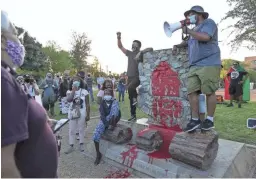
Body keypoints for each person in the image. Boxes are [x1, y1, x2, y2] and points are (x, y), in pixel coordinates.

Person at [1, 10, 58, 178]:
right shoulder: (3, 79)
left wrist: (38, 124)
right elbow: (3, 167)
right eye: (16, 35)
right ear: (2, 40)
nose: (19, 42)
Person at [173, 6, 221, 132]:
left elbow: (205, 37)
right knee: (191, 92)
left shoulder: (209, 23)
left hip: (209, 62)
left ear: (199, 14)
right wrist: (177, 45)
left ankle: (209, 120)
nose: (188, 17)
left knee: (209, 92)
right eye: (187, 15)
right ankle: (195, 120)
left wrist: (188, 31)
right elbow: (188, 42)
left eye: (190, 14)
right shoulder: (193, 29)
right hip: (194, 65)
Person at [93, 88, 121, 165]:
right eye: (105, 94)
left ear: (111, 95)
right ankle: (98, 154)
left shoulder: (114, 102)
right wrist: (106, 124)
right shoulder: (102, 102)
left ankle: (112, 125)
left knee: (114, 108)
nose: (107, 95)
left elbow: (117, 114)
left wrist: (111, 123)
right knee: (95, 135)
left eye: (108, 93)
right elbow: (102, 115)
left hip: (113, 120)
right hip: (105, 120)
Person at [117, 32, 141, 121]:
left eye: (135, 44)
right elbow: (120, 47)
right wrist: (118, 38)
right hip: (129, 78)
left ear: (139, 46)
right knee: (131, 98)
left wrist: (141, 53)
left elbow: (151, 49)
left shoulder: (141, 53)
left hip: (137, 77)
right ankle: (133, 115)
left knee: (131, 89)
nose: (133, 45)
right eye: (133, 44)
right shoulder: (130, 53)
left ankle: (136, 97)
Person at [65, 76, 90, 154]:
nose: (76, 82)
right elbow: (69, 100)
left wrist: (88, 114)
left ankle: (81, 144)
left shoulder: (85, 91)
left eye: (78, 80)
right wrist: (73, 90)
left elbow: (87, 104)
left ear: (80, 82)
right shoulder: (69, 91)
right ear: (72, 82)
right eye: (74, 80)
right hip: (72, 112)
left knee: (81, 129)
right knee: (72, 129)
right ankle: (71, 145)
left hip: (82, 112)